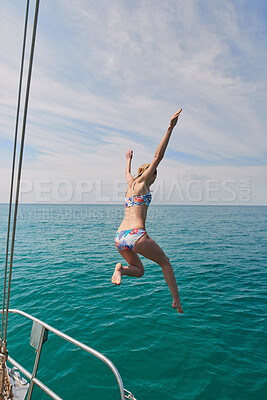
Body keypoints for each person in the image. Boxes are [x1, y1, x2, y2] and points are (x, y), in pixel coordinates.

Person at [112, 109, 183, 313]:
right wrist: (170, 127)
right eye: (154, 176)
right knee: (166, 263)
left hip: (120, 237)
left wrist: (128, 159)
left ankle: (120, 270)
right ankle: (176, 300)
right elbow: (158, 156)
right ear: (149, 174)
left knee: (139, 271)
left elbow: (126, 173)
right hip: (136, 235)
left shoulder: (130, 185)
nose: (154, 179)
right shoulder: (143, 182)